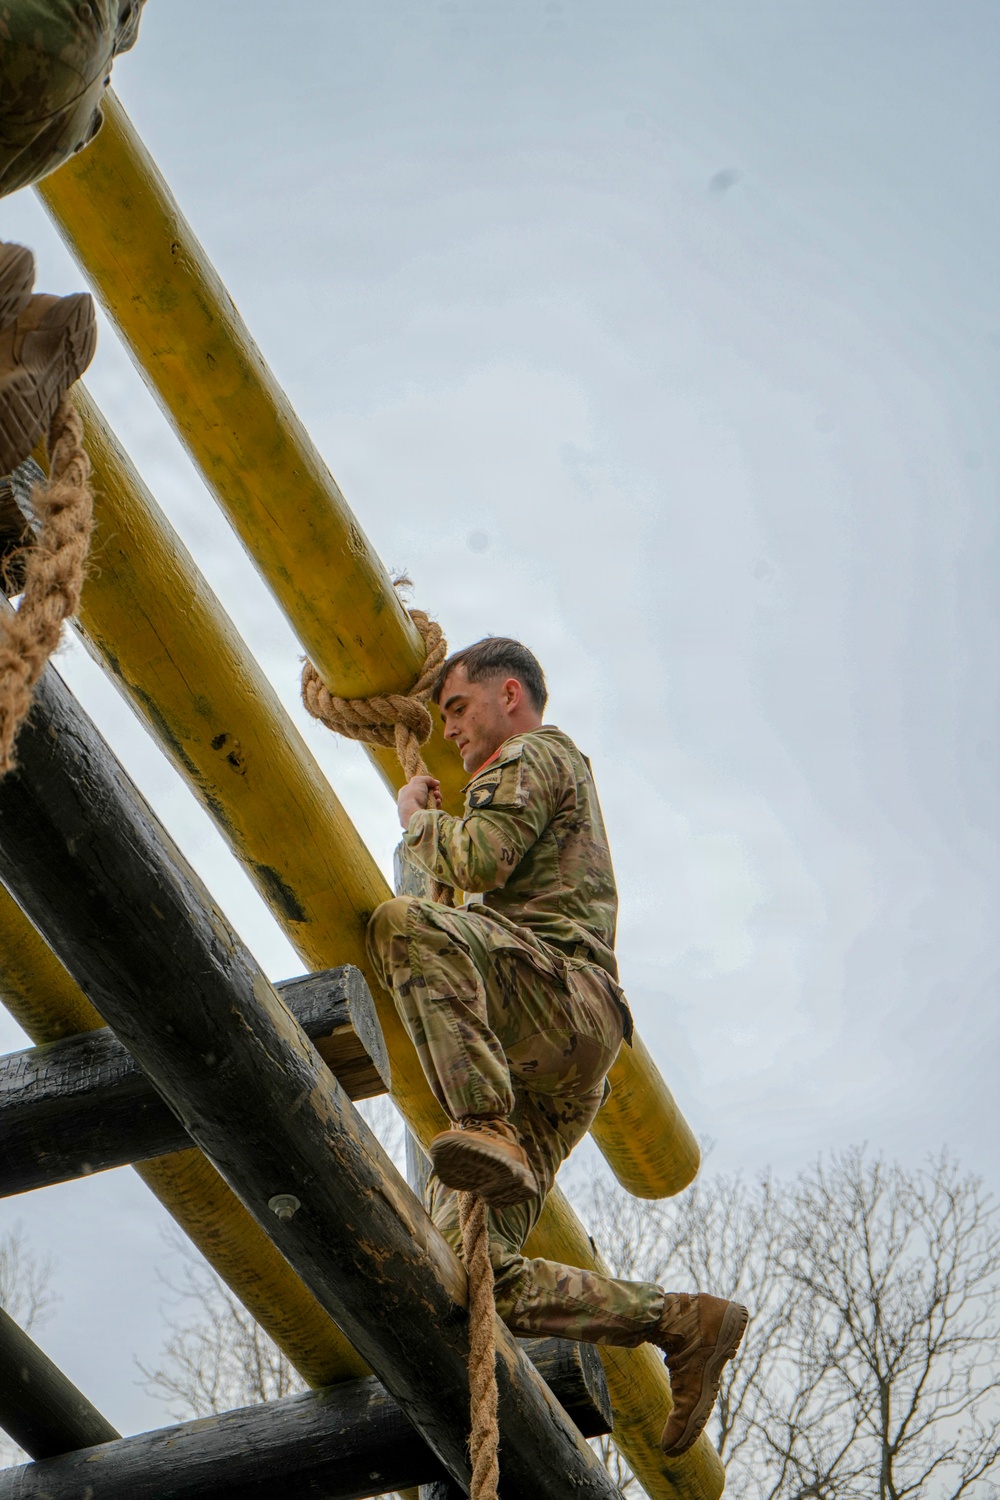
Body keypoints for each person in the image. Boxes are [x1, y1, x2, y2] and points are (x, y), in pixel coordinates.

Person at [368, 636, 748, 1458]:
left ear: (511, 693)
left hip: (555, 1005)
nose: (453, 731)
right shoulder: (535, 769)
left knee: (404, 926)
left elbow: (477, 856)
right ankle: (677, 1320)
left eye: (457, 709)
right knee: (471, 1273)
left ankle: (484, 1122)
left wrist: (417, 822)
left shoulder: (532, 752)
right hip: (554, 1062)